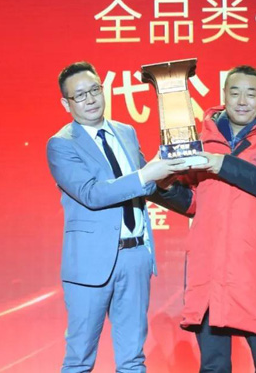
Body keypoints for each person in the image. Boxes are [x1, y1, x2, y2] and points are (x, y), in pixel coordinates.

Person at [155, 65, 256, 372]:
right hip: (209, 270)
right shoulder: (201, 141)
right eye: (235, 93)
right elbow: (194, 201)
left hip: (255, 271)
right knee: (213, 366)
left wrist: (222, 163)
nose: (242, 101)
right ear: (224, 96)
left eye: (251, 94)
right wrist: (162, 185)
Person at [46, 61, 188, 373]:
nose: (90, 99)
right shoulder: (61, 145)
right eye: (80, 95)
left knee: (133, 359)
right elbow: (91, 194)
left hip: (135, 257)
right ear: (66, 103)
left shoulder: (125, 132)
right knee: (79, 360)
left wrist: (170, 167)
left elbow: (145, 183)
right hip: (90, 264)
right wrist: (146, 174)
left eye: (94, 90)